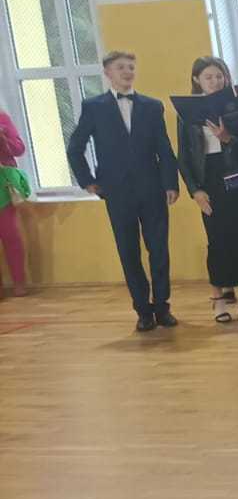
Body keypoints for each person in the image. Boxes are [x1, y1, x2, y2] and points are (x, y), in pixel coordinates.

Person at [66, 51, 179, 330]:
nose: (127, 71)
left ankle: (162, 306)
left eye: (131, 67)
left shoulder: (152, 106)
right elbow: (75, 147)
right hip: (116, 191)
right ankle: (143, 311)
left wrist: (170, 183)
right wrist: (87, 180)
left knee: (159, 250)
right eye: (121, 67)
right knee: (128, 251)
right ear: (108, 73)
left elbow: (164, 149)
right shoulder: (93, 107)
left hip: (152, 189)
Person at [177, 57, 238, 322]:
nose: (215, 81)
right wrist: (195, 190)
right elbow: (184, 157)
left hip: (237, 174)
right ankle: (218, 299)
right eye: (209, 77)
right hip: (208, 177)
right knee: (217, 239)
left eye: (219, 76)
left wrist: (227, 138)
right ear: (197, 80)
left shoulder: (236, 106)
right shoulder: (187, 113)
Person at [0, 108, 31, 297]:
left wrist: (3, 139)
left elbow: (19, 149)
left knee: (10, 235)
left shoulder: (2, 117)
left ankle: (19, 282)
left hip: (3, 184)